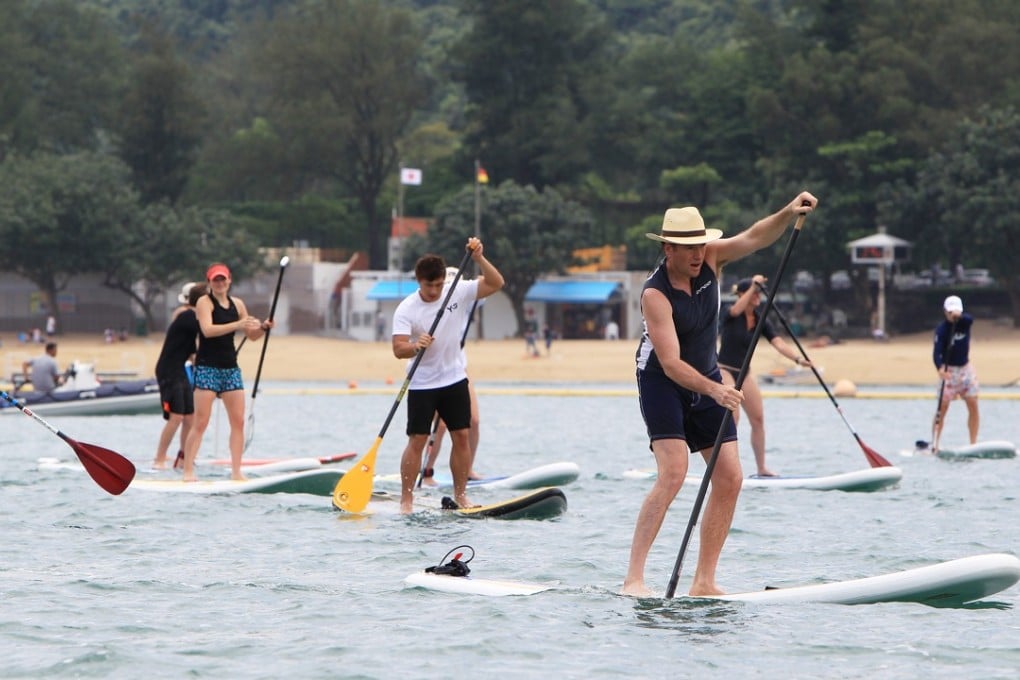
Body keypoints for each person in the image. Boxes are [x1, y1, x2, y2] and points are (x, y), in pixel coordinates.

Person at [621, 192, 817, 598]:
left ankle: (703, 581)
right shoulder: (654, 294)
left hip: (708, 376)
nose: (697, 253)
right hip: (661, 382)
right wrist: (718, 389)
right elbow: (672, 363)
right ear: (668, 248)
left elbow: (755, 237)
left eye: (699, 244)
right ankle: (634, 579)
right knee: (673, 473)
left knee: (730, 477)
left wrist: (786, 211)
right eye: (687, 247)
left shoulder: (711, 258)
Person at [391, 238, 504, 513]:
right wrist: (415, 346)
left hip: (453, 378)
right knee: (417, 440)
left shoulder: (457, 291)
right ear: (419, 281)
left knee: (461, 436)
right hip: (421, 382)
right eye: (429, 285)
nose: (434, 290)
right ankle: (406, 500)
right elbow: (398, 349)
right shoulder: (407, 308)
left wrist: (479, 258)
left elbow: (497, 283)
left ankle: (461, 495)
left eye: (438, 284)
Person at [180, 264, 273, 481]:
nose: (220, 283)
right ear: (210, 282)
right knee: (201, 422)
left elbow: (251, 335)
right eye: (215, 280)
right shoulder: (204, 302)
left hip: (230, 368)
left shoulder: (237, 304)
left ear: (229, 281)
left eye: (223, 279)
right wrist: (238, 323)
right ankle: (188, 471)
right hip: (207, 368)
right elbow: (208, 330)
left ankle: (236, 472)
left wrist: (263, 328)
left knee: (238, 422)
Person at [717, 275, 811, 477]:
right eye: (754, 292)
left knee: (758, 419)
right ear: (743, 294)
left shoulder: (761, 320)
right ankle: (726, 467)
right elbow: (735, 309)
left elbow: (777, 342)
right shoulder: (729, 314)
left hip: (745, 373)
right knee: (733, 417)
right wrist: (753, 285)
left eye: (759, 292)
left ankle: (761, 468)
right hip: (724, 369)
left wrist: (797, 359)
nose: (758, 295)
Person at [421, 267, 483, 486]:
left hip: (460, 368)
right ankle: (427, 472)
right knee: (440, 426)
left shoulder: (466, 300)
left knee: (473, 421)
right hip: (437, 370)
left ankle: (466, 470)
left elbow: (486, 285)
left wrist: (480, 264)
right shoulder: (431, 309)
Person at [152, 282, 206, 470]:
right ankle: (159, 458)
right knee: (176, 417)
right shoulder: (188, 316)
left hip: (180, 369)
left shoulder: (192, 318)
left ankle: (184, 458)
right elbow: (207, 333)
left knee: (190, 417)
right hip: (168, 370)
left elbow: (193, 353)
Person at [932, 294, 979, 449]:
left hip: (965, 370)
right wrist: (939, 368)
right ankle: (935, 444)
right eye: (950, 312)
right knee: (942, 408)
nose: (953, 315)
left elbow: (969, 319)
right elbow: (936, 352)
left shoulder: (965, 323)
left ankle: (973, 443)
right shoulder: (942, 329)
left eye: (955, 311)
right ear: (945, 312)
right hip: (949, 371)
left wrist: (959, 316)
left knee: (973, 404)